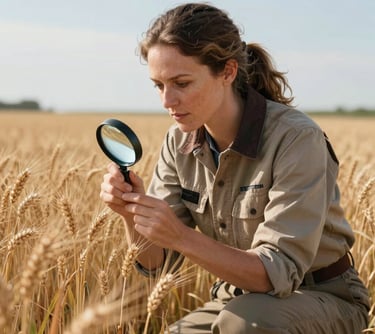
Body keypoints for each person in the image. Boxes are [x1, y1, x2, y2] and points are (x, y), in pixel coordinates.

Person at [100, 3, 370, 333]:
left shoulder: (296, 138)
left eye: (181, 83)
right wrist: (131, 211)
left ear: (227, 72)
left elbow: (277, 272)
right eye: (158, 85)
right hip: (237, 299)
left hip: (325, 297)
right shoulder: (178, 143)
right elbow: (157, 265)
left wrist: (181, 236)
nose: (167, 101)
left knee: (242, 326)